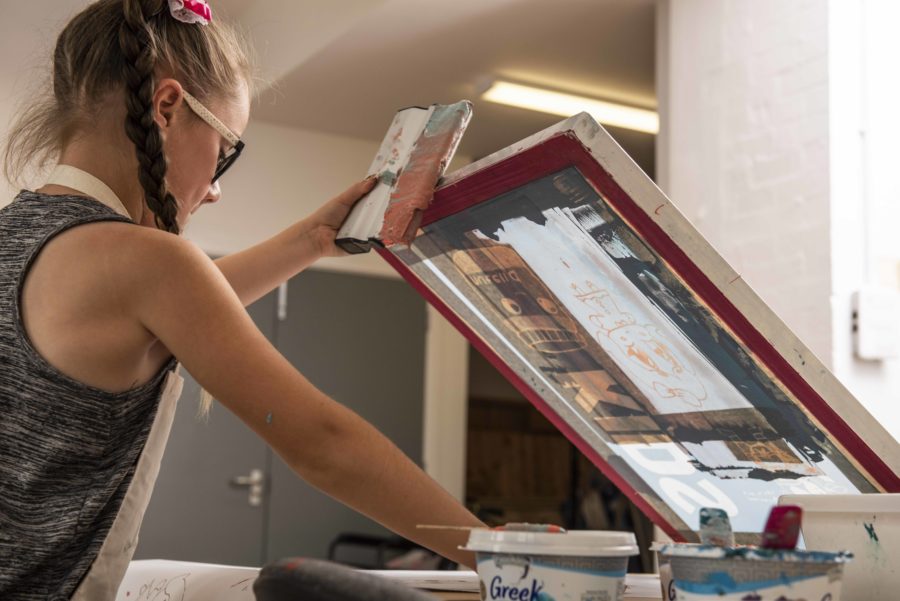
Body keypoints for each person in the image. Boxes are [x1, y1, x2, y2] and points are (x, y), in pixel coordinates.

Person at [0, 1, 484, 598]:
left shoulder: (20, 235)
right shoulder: (147, 261)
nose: (217, 190)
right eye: (226, 147)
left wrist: (310, 240)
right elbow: (323, 443)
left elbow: (167, 319)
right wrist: (494, 549)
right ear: (168, 107)